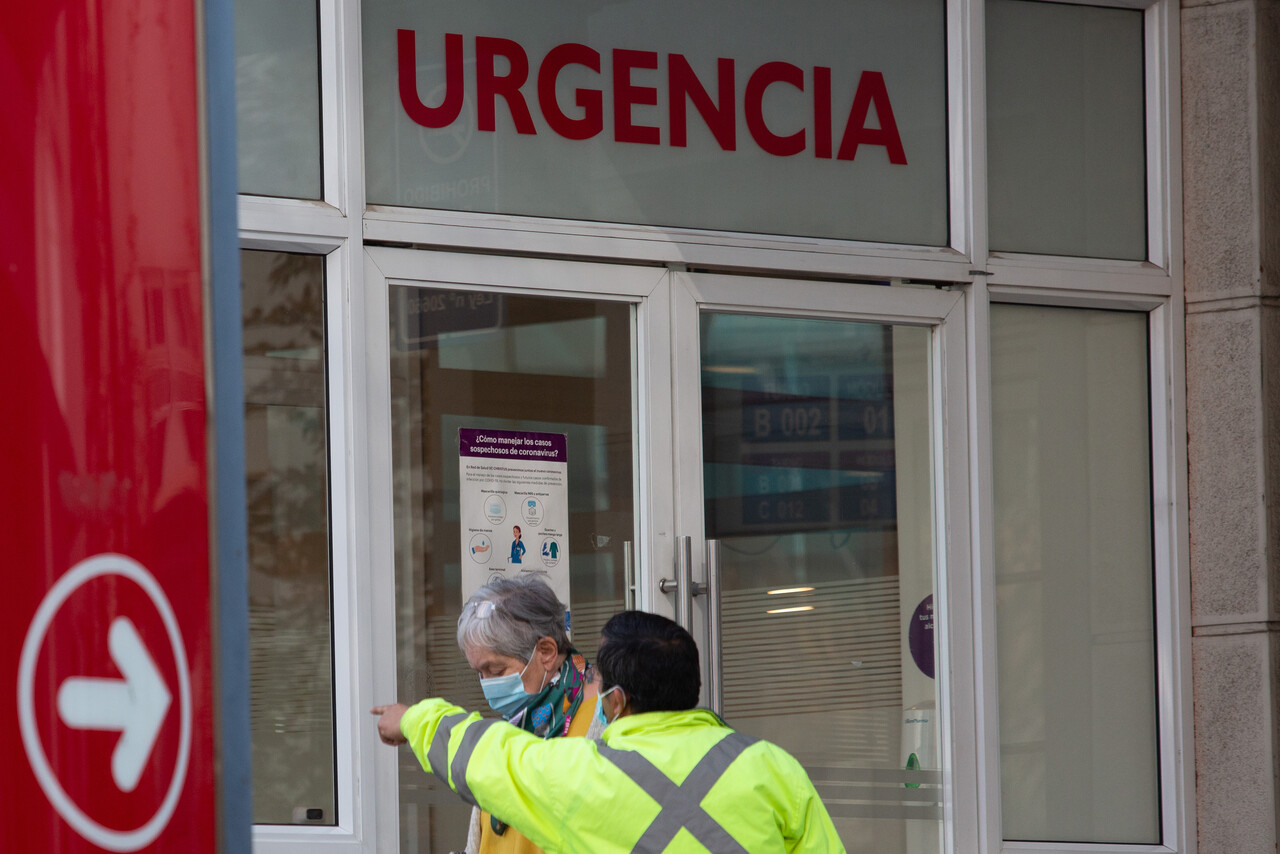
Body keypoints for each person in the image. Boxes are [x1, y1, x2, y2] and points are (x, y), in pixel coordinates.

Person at [373, 610, 845, 853]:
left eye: (597, 679)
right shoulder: (773, 766)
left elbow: (484, 755)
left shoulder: (583, 773)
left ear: (614, 701)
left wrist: (413, 718)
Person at [450, 577, 599, 853]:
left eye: (495, 672)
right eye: (479, 674)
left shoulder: (605, 720)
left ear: (546, 652)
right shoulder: (517, 720)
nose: (486, 685)